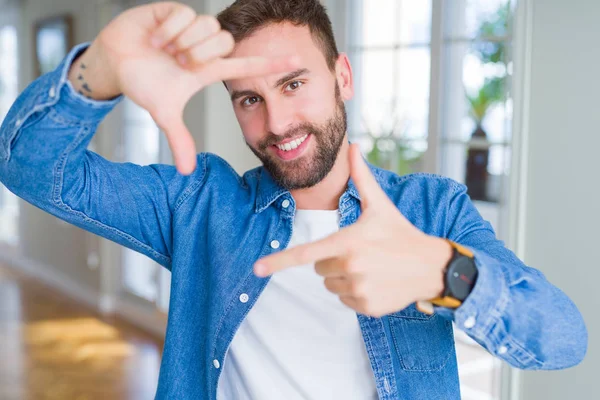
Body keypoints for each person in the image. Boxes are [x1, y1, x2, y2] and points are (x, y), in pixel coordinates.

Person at [0, 1, 587, 399]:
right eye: (248, 99)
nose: (277, 123)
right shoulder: (199, 204)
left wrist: (443, 271)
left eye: (293, 84)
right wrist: (97, 72)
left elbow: (561, 340)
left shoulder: (432, 211)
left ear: (343, 78)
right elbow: (32, 170)